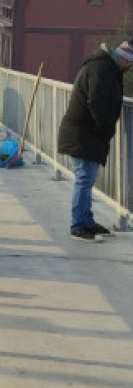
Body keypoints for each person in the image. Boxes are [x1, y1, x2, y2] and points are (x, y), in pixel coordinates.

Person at [57, 40, 133, 242]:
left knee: (86, 179)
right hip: (85, 133)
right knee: (83, 179)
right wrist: (104, 127)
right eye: (130, 63)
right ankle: (78, 225)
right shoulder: (102, 68)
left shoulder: (103, 65)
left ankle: (87, 221)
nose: (130, 68)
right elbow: (97, 100)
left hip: (86, 132)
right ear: (125, 60)